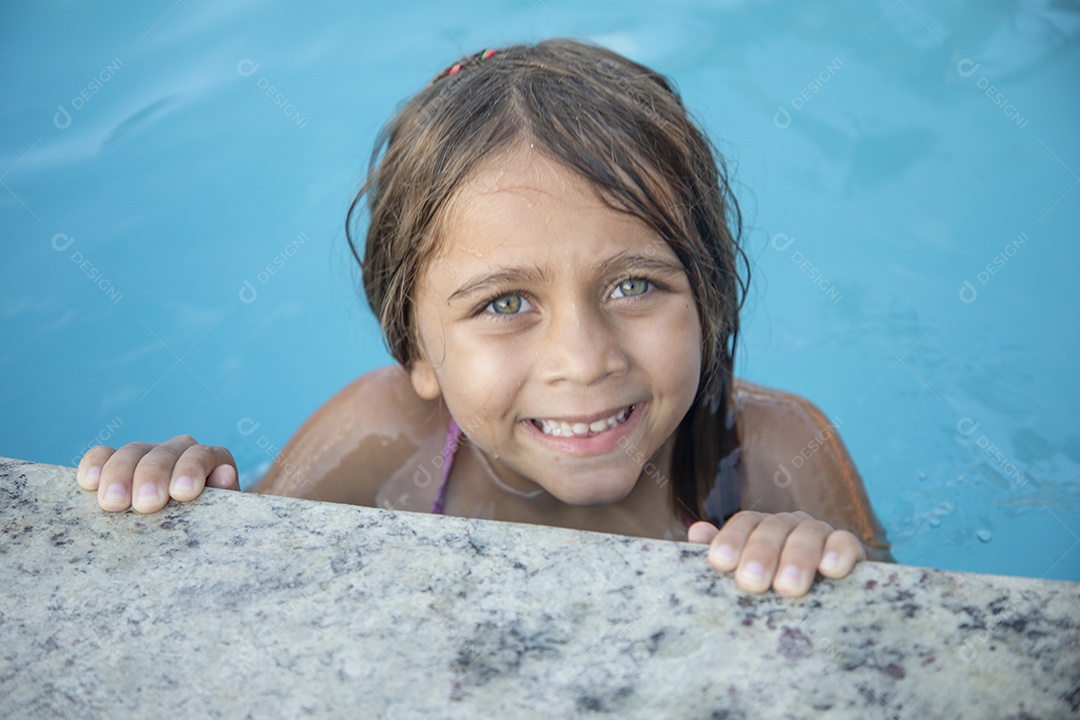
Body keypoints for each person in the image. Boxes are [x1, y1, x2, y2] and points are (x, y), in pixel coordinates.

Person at [75, 38, 893, 598]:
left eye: (635, 285)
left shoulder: (772, 451)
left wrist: (806, 550)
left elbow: (897, 637)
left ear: (708, 295)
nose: (582, 358)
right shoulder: (384, 438)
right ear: (416, 349)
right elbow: (240, 579)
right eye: (506, 304)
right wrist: (188, 491)